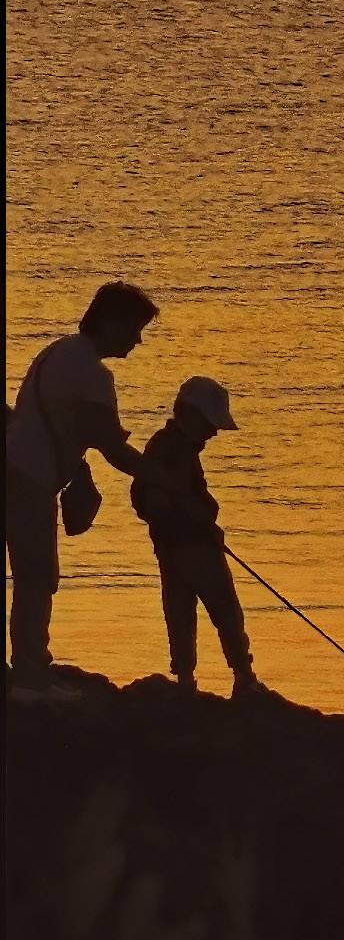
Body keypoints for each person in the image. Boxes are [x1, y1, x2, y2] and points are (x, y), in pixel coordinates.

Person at [6, 282, 179, 697]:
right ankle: (30, 678)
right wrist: (162, 478)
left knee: (27, 576)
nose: (138, 340)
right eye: (135, 329)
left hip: (12, 465)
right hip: (29, 481)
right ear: (111, 322)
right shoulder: (92, 374)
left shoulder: (57, 351)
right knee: (36, 578)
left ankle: (24, 673)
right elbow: (113, 447)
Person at [130, 376, 260, 699]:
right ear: (190, 416)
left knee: (179, 612)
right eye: (210, 424)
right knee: (224, 610)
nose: (214, 432)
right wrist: (198, 521)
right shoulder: (172, 451)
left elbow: (150, 498)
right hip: (191, 548)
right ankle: (243, 677)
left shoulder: (171, 446)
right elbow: (150, 497)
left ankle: (187, 681)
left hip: (172, 547)